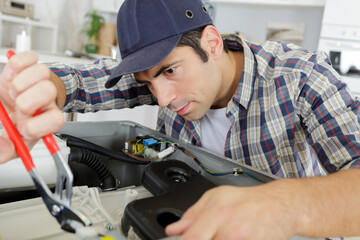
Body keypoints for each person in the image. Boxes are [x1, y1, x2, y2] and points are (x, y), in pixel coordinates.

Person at [1, 0, 360, 239]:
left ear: (213, 43)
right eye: (147, 83)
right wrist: (43, 89)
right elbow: (81, 82)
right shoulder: (164, 81)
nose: (163, 98)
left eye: (170, 71)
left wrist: (281, 203)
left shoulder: (301, 77)